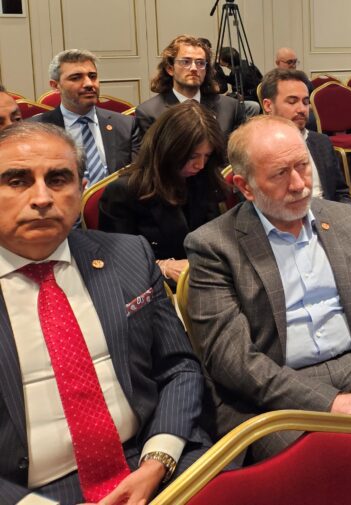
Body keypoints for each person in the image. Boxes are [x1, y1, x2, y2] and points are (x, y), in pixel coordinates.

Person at [184, 115, 351, 461]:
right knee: (338, 462)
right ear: (245, 187)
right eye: (280, 174)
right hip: (275, 395)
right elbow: (233, 360)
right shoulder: (214, 245)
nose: (299, 184)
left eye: (302, 166)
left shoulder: (341, 218)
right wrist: (328, 403)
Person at [0, 122, 210, 504]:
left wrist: (158, 460)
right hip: (33, 491)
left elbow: (178, 367)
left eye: (58, 179)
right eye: (17, 181)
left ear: (81, 189)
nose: (42, 198)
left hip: (152, 458)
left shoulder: (128, 255)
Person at [98, 101, 227, 286]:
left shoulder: (203, 179)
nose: (200, 165)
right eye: (192, 156)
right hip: (157, 288)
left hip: (207, 281)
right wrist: (162, 267)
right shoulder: (124, 191)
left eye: (206, 156)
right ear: (168, 149)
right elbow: (116, 262)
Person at [30, 49, 140, 186]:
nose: (89, 84)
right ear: (55, 85)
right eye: (76, 78)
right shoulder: (36, 130)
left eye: (93, 76)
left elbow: (138, 177)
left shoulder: (126, 125)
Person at [261, 68, 350, 203]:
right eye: (292, 102)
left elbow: (341, 192)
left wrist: (346, 213)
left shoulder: (321, 142)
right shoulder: (257, 149)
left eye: (305, 102)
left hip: (327, 212)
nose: (302, 109)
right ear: (268, 106)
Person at [136, 35, 246, 138]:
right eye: (185, 62)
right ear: (170, 69)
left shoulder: (231, 108)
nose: (194, 68)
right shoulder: (149, 112)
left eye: (200, 63)